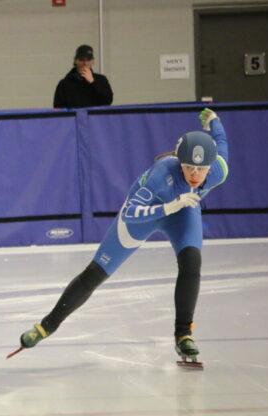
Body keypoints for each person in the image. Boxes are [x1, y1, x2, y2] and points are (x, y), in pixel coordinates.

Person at [14, 109, 228, 367]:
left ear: (210, 167)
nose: (195, 174)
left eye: (201, 169)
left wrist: (214, 120)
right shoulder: (162, 173)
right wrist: (167, 207)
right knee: (95, 272)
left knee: (192, 262)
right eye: (189, 167)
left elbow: (222, 142)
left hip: (183, 212)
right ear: (178, 161)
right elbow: (130, 213)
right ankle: (46, 326)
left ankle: (183, 333)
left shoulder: (218, 170)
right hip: (146, 214)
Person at [53, 45, 113, 109]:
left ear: (93, 61)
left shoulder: (101, 80)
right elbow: (58, 109)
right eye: (82, 59)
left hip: (94, 118)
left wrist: (93, 82)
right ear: (75, 60)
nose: (85, 63)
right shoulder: (64, 84)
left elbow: (107, 101)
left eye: (88, 59)